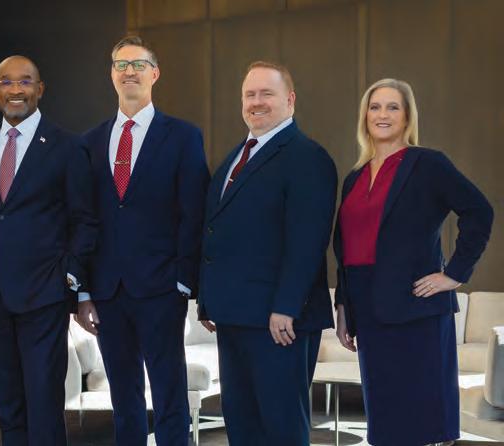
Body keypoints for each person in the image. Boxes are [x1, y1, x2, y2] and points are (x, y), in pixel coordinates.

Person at [333, 78, 493, 446]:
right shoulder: (354, 178)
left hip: (416, 309)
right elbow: (347, 247)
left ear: (407, 117)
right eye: (375, 107)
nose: (383, 114)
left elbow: (479, 211)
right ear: (365, 116)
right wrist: (343, 305)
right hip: (368, 310)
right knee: (385, 421)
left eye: (393, 107)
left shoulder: (428, 164)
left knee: (421, 420)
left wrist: (454, 274)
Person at [0, 55, 97, 445]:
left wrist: (69, 275)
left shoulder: (68, 147)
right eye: (6, 82)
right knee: (8, 406)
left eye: (25, 81)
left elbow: (84, 220)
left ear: (40, 89)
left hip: (45, 296)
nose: (16, 90)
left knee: (44, 404)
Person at [73, 36, 208, 445]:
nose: (129, 72)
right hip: (107, 292)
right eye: (121, 64)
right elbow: (82, 219)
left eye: (138, 64)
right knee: (123, 397)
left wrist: (184, 280)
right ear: (112, 74)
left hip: (162, 288)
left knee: (169, 394)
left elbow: (194, 213)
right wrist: (82, 291)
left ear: (155, 73)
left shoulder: (183, 136)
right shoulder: (89, 143)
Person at [197, 61, 337, 445]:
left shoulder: (308, 157)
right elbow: (216, 231)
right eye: (249, 94)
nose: (256, 102)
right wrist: (208, 300)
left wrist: (287, 306)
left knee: (281, 428)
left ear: (290, 100)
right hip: (233, 316)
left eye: (266, 94)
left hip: (279, 321)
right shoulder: (235, 158)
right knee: (242, 425)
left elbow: (308, 240)